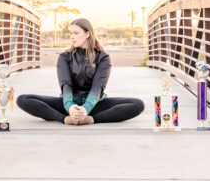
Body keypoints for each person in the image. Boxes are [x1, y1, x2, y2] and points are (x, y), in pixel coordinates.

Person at [16, 18, 145, 125]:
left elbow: (97, 88)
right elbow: (65, 85)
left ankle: (91, 119)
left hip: (94, 104)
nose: (72, 37)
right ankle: (66, 119)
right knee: (23, 99)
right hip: (68, 104)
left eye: (76, 33)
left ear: (88, 34)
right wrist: (70, 107)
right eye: (71, 33)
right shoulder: (64, 57)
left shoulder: (103, 57)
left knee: (137, 104)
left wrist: (86, 109)